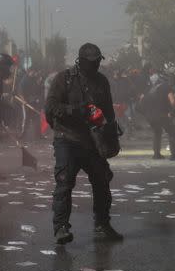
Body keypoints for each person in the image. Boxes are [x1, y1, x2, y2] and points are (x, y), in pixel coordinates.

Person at [45, 43, 122, 245]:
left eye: (98, 60)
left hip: (92, 140)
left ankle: (102, 224)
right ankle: (61, 227)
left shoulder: (102, 81)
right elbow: (51, 108)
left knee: (102, 181)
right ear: (82, 61)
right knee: (64, 182)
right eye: (92, 61)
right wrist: (77, 111)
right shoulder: (64, 79)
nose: (96, 64)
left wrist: (110, 136)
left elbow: (108, 112)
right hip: (67, 138)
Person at [140, 73, 175, 160]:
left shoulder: (148, 89)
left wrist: (146, 113)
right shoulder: (166, 87)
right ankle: (174, 155)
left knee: (157, 132)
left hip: (150, 116)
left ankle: (156, 155)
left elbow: (141, 102)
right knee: (172, 132)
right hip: (162, 114)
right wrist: (173, 111)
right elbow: (173, 102)